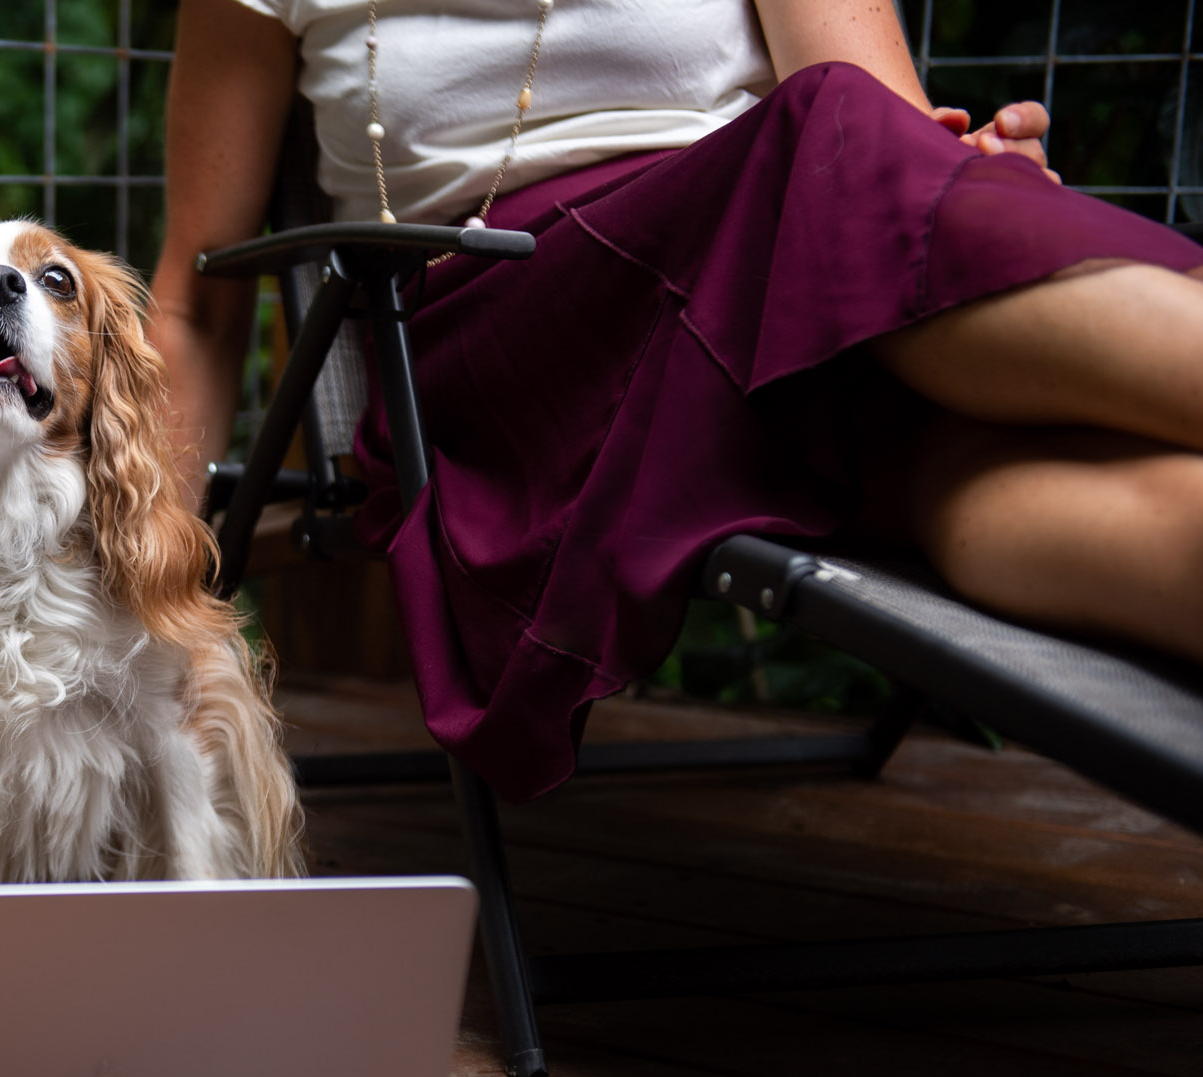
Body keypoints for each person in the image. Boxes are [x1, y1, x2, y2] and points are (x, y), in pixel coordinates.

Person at [146, 0, 1203, 800]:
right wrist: (133, 601)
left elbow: (886, 138)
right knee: (824, 134)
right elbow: (196, 305)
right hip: (509, 361)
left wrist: (964, 174)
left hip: (792, 296)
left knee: (967, 469)